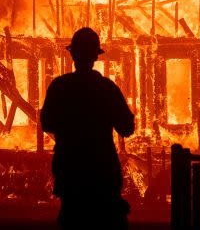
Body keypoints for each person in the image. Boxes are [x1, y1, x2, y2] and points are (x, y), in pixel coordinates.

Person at [41, 27, 136, 229]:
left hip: (70, 174)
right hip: (103, 175)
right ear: (96, 56)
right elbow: (127, 128)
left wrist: (67, 137)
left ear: (73, 54)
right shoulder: (107, 88)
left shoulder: (59, 87)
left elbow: (47, 123)